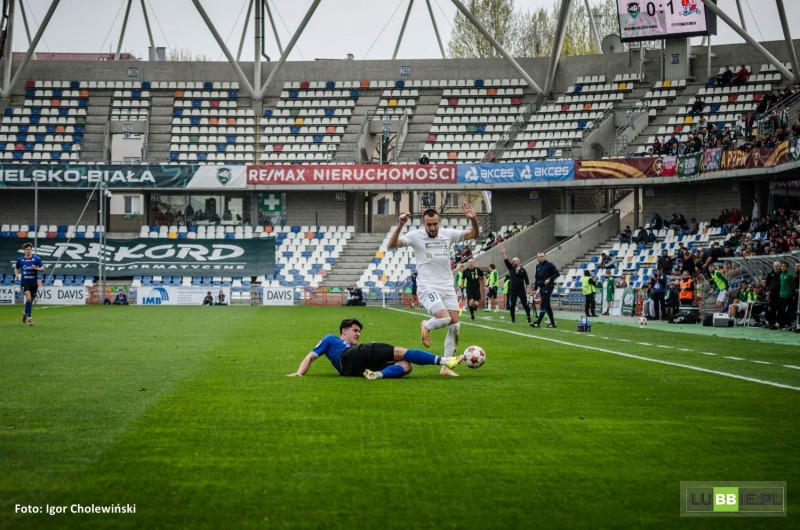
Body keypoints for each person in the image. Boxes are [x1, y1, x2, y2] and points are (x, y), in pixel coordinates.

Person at [387, 203, 479, 377]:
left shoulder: (447, 234)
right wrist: (400, 224)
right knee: (444, 318)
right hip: (427, 286)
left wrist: (473, 219)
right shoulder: (415, 236)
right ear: (423, 223)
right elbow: (392, 245)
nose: (432, 228)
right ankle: (426, 325)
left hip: (447, 286)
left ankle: (446, 367)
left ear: (439, 221)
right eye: (429, 224)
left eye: (435, 224)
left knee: (455, 326)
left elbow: (474, 234)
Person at [286, 318, 464, 380]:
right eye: (355, 330)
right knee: (400, 351)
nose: (358, 334)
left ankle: (377, 375)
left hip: (353, 370)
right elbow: (311, 356)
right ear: (344, 331)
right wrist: (299, 372)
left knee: (406, 366)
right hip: (350, 356)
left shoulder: (355, 346)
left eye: (359, 331)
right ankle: (446, 361)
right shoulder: (331, 339)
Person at [14, 242, 45, 326]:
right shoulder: (20, 259)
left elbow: (43, 269)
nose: (28, 251)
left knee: (30, 301)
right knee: (28, 299)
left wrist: (36, 268)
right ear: (24, 250)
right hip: (25, 282)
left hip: (33, 283)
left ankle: (25, 312)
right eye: (27, 249)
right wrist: (16, 274)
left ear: (31, 250)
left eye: (30, 249)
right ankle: (30, 319)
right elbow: (16, 268)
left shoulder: (36, 259)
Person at [499, 247, 531, 324]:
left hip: (521, 290)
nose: (512, 262)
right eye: (512, 261)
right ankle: (513, 319)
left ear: (518, 262)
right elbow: (506, 260)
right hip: (512, 290)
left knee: (525, 304)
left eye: (514, 261)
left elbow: (527, 281)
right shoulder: (511, 268)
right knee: (512, 305)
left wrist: (528, 289)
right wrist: (503, 253)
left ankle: (528, 316)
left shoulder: (523, 270)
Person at [531, 251, 560, 328]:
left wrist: (549, 279)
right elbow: (537, 279)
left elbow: (557, 274)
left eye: (542, 256)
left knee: (543, 304)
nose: (541, 258)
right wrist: (535, 289)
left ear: (545, 256)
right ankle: (553, 323)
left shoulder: (550, 264)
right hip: (541, 288)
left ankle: (538, 322)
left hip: (548, 287)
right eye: (539, 257)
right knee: (547, 306)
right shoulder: (537, 266)